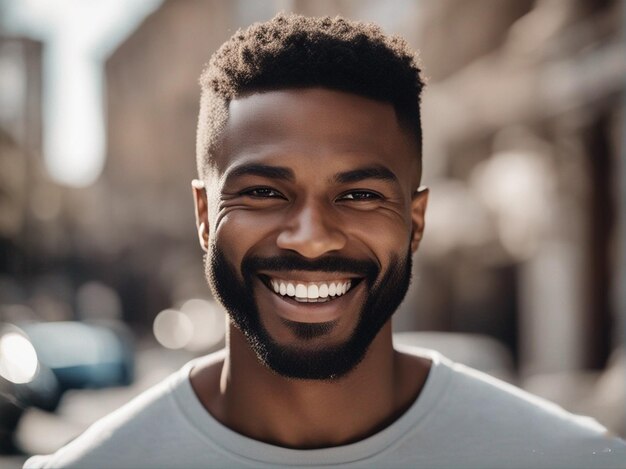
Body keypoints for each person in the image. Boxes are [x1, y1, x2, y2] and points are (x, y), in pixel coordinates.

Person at [25, 13, 626, 469]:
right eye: (263, 192)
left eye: (360, 195)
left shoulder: (572, 460)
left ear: (415, 220)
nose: (311, 240)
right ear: (205, 214)